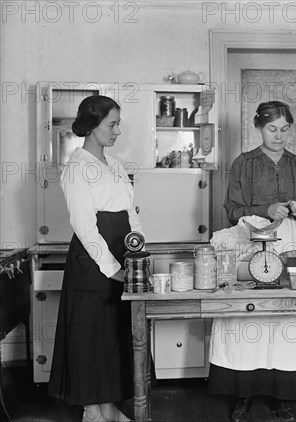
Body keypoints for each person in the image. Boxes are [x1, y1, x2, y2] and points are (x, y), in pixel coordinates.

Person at [209, 100, 296, 422]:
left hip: (289, 244)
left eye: (285, 129)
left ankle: (282, 396)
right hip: (250, 242)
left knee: (286, 318)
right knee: (247, 317)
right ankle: (242, 393)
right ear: (259, 128)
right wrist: (264, 210)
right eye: (272, 129)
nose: (279, 135)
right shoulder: (243, 163)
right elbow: (231, 211)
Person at [48, 95, 141, 422]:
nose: (118, 131)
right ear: (92, 126)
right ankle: (92, 410)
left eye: (118, 123)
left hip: (121, 254)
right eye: (112, 124)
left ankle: (110, 407)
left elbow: (131, 211)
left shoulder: (113, 165)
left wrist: (136, 248)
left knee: (113, 335)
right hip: (93, 263)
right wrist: (112, 268)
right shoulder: (77, 167)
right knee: (91, 336)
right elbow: (85, 227)